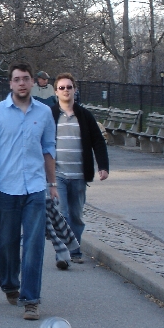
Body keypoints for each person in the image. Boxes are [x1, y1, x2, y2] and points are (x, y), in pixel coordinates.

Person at [0, 61, 58, 321]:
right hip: (6, 188)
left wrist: (52, 184)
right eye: (17, 79)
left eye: (26, 78)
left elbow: (48, 149)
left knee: (34, 244)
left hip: (35, 188)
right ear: (10, 83)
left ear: (32, 81)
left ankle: (31, 299)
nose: (22, 83)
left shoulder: (44, 113)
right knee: (7, 243)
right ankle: (10, 283)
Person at [50, 73, 109, 268]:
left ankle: (74, 251)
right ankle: (63, 254)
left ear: (75, 90)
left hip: (79, 174)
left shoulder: (84, 116)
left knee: (76, 216)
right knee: (62, 213)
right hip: (58, 174)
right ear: (56, 92)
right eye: (62, 88)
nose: (66, 90)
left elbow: (98, 142)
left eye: (69, 87)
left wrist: (103, 166)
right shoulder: (50, 115)